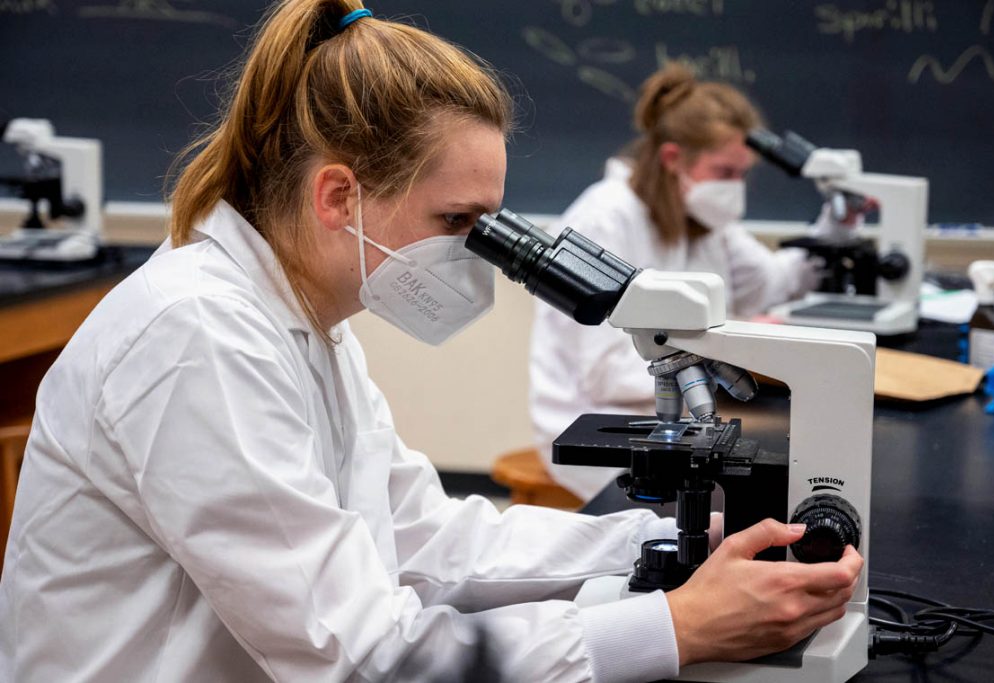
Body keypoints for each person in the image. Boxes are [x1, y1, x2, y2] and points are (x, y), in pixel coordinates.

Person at [0, 3, 862, 682]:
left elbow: (432, 540)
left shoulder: (306, 327)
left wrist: (672, 547)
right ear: (341, 196)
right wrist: (675, 627)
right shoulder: (199, 335)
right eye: (458, 222)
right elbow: (369, 659)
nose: (473, 251)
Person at [530, 62, 826, 501]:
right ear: (672, 159)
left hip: (680, 412)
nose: (735, 188)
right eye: (725, 173)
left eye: (743, 174)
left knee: (792, 468)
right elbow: (605, 374)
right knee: (744, 499)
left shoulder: (702, 216)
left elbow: (771, 282)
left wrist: (831, 233)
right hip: (596, 419)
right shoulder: (604, 220)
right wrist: (735, 347)